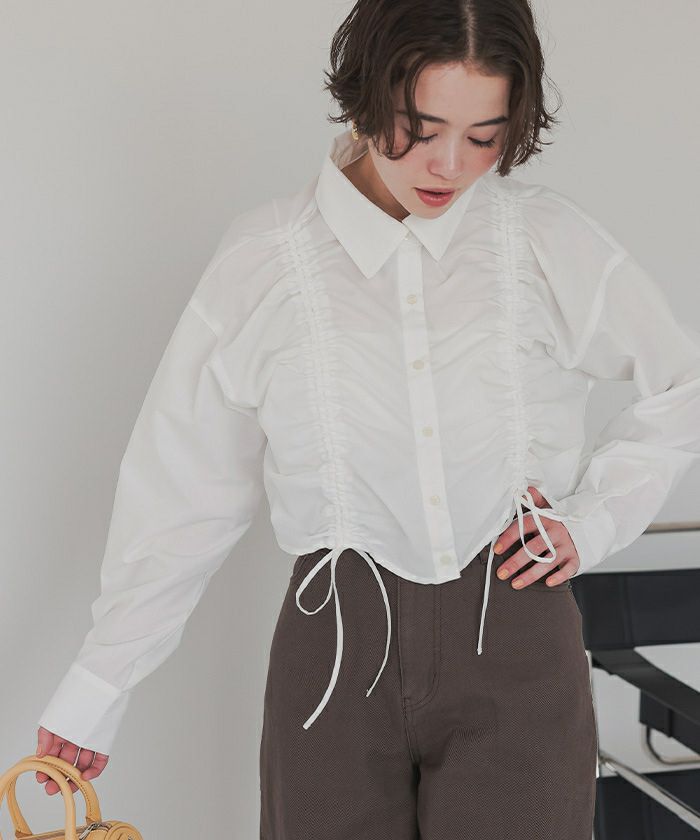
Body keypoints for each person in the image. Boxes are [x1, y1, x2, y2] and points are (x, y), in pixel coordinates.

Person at [34, 0, 700, 836]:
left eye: (484, 135)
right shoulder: (264, 262)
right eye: (419, 128)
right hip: (333, 656)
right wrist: (98, 686)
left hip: (516, 633)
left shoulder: (541, 240)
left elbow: (681, 384)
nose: (449, 164)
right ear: (366, 93)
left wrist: (592, 522)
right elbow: (184, 492)